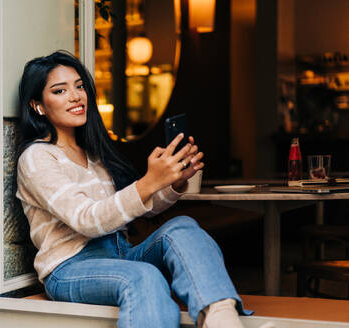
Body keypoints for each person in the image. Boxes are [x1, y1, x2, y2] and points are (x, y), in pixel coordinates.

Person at [16, 50, 253, 328]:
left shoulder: (94, 154)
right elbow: (88, 220)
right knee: (144, 276)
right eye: (60, 90)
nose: (76, 96)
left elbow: (130, 209)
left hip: (119, 255)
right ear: (38, 106)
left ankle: (223, 320)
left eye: (79, 86)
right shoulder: (37, 158)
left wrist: (173, 182)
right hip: (70, 268)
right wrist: (149, 181)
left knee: (182, 227)